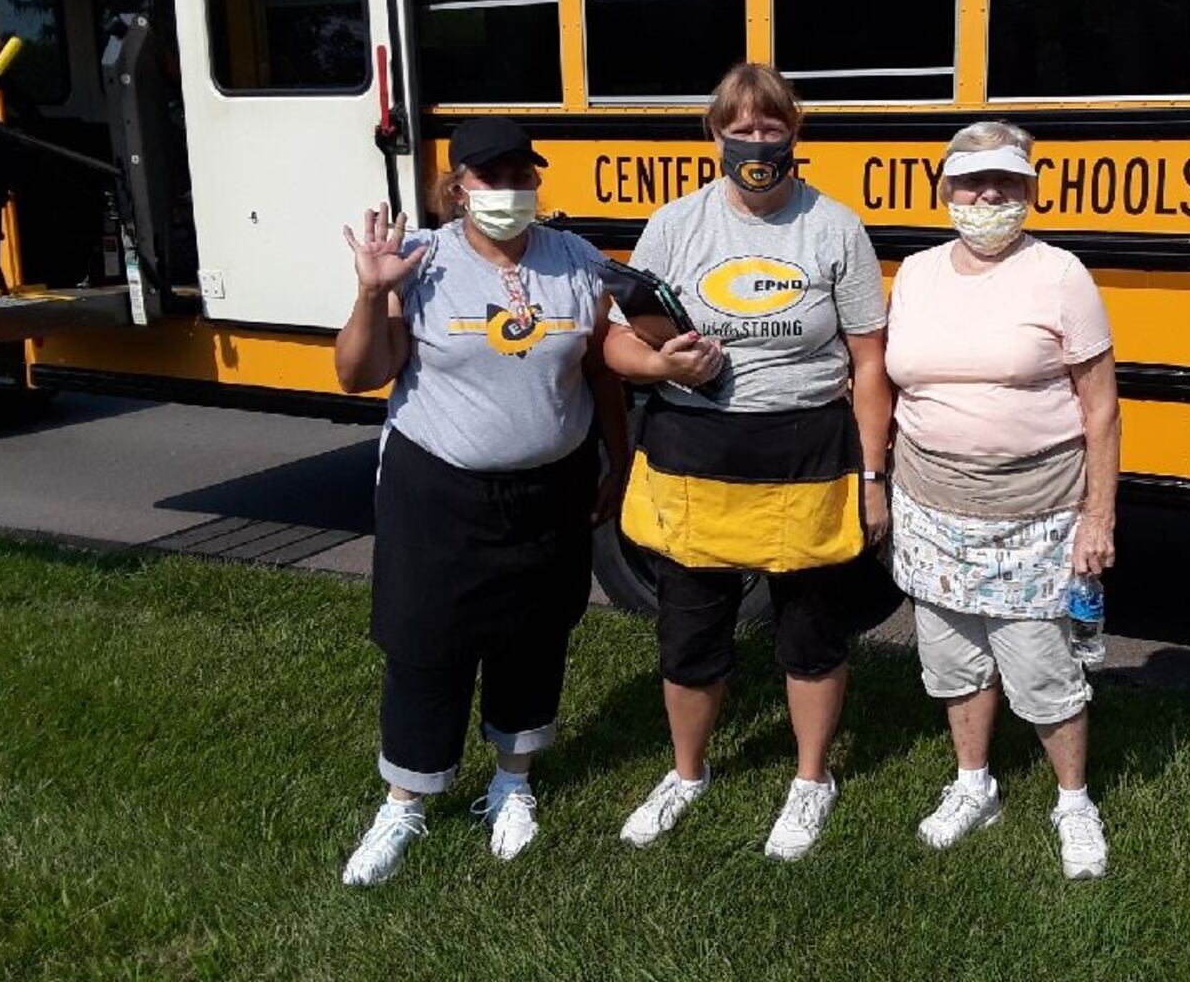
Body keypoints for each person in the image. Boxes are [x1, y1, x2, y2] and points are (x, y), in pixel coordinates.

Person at [603, 63, 890, 862]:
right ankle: (686, 774)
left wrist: (873, 479)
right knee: (689, 638)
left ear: (795, 135)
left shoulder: (834, 227)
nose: (755, 141)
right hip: (693, 452)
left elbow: (870, 362)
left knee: (811, 635)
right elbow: (620, 341)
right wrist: (664, 368)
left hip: (808, 453)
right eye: (741, 127)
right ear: (714, 135)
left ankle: (810, 781)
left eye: (771, 127)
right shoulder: (673, 226)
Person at [334, 117, 628, 886]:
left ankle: (513, 781)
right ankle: (407, 800)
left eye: (521, 175)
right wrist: (373, 294)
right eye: (489, 177)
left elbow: (601, 371)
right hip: (438, 488)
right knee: (426, 645)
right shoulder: (419, 261)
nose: (508, 190)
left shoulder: (577, 261)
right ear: (457, 186)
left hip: (551, 486)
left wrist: (619, 460)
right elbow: (357, 374)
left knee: (534, 637)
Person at [885, 120, 1120, 879]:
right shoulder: (916, 273)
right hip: (930, 501)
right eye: (972, 182)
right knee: (951, 659)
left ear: (1028, 191)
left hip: (1036, 509)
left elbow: (1102, 408)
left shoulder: (1059, 274)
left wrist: (1099, 515)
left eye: (1007, 182)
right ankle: (973, 784)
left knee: (1041, 667)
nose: (989, 195)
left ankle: (1074, 800)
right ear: (945, 191)